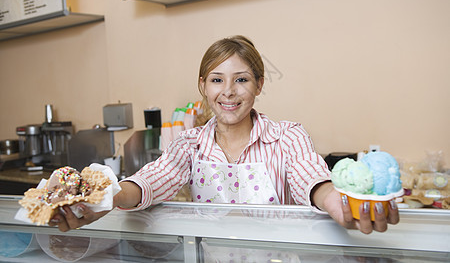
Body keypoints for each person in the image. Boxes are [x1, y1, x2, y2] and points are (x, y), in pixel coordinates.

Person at [49, 35, 399, 234]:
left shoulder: (287, 136)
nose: (228, 92)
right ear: (203, 86)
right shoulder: (189, 145)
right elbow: (150, 181)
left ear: (259, 85)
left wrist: (335, 202)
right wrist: (105, 195)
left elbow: (313, 179)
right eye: (217, 80)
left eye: (241, 79)